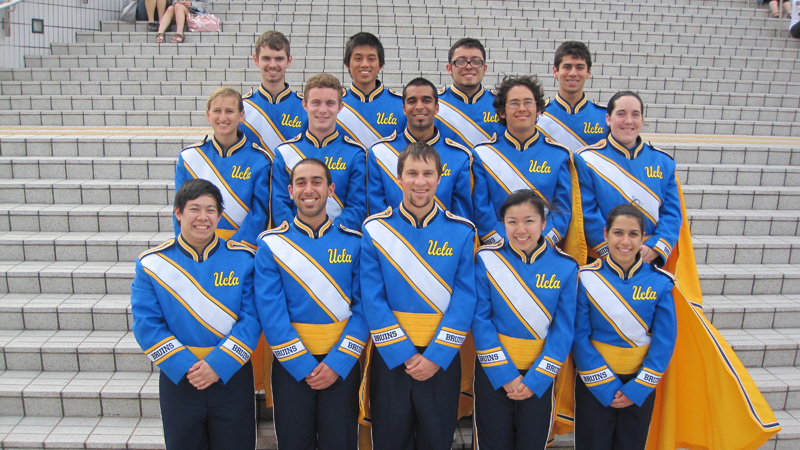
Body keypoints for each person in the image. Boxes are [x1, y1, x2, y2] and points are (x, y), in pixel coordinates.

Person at [360, 142, 477, 450]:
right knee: (389, 440)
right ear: (398, 178)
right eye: (412, 173)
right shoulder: (376, 229)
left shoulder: (462, 231)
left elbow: (465, 298)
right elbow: (372, 298)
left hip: (442, 359)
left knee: (436, 441)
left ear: (440, 178)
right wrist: (405, 354)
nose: (420, 181)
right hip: (392, 360)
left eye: (428, 173)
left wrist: (436, 357)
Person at [131, 179, 261, 450]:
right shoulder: (153, 263)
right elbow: (147, 325)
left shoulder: (244, 259)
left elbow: (252, 319)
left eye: (211, 210)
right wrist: (186, 366)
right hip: (180, 377)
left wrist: (218, 364)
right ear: (178, 213)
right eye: (194, 209)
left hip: (231, 375)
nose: (203, 217)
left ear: (219, 216)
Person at [255, 158, 367, 450]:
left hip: (340, 366)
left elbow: (363, 309)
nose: (309, 189)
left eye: (317, 181)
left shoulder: (355, 243)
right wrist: (302, 365)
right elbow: (272, 313)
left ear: (330, 189)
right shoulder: (271, 245)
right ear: (290, 192)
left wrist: (339, 362)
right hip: (291, 367)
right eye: (301, 183)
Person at [471, 189, 578, 450]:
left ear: (544, 223)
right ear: (502, 224)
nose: (521, 230)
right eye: (512, 222)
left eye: (529, 221)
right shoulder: (486, 259)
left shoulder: (566, 266)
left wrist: (536, 380)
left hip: (539, 376)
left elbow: (563, 330)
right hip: (493, 373)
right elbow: (480, 320)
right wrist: (505, 374)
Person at [572, 204, 677, 450]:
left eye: (633, 234)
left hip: (639, 385)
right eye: (618, 233)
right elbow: (579, 335)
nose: (625, 241)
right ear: (606, 234)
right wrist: (603, 383)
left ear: (643, 238)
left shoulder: (661, 282)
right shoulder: (585, 277)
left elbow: (665, 340)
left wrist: (638, 388)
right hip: (593, 383)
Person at [575, 91, 681, 264]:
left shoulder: (663, 162)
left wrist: (654, 248)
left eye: (635, 115)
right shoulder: (586, 159)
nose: (628, 121)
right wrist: (614, 249)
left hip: (647, 259)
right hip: (602, 260)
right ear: (608, 119)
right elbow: (586, 213)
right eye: (621, 114)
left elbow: (672, 214)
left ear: (642, 120)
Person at [471, 75, 574, 248]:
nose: (522, 108)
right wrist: (505, 243)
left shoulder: (559, 155)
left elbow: (561, 211)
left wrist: (541, 242)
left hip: (543, 249)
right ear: (502, 112)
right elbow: (482, 211)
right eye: (514, 103)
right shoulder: (483, 154)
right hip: (500, 250)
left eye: (528, 102)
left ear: (538, 109)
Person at [174, 87, 271, 249]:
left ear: (241, 116)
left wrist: (235, 247)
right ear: (208, 114)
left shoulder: (259, 160)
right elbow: (179, 210)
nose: (223, 117)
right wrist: (187, 246)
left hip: (241, 249)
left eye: (229, 111)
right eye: (217, 111)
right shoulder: (189, 158)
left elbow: (259, 213)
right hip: (197, 246)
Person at [271, 74, 367, 231]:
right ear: (305, 105)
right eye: (316, 103)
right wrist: (298, 234)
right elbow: (279, 204)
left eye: (330, 103)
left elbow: (357, 206)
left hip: (338, 242)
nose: (323, 110)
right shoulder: (285, 152)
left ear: (340, 107)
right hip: (294, 242)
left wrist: (330, 235)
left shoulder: (356, 154)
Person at [368, 77, 474, 218]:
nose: (419, 106)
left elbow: (461, 218)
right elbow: (378, 215)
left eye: (426, 100)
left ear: (436, 107)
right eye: (412, 101)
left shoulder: (459, 156)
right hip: (393, 238)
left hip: (442, 240)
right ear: (404, 109)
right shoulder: (379, 152)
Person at [240, 30, 306, 159]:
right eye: (266, 58)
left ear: (289, 60)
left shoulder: (305, 106)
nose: (272, 64)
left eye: (279, 58)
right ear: (256, 59)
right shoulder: (242, 106)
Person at [338, 32, 405, 148]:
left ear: (381, 64)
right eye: (358, 58)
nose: (365, 64)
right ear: (347, 64)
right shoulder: (335, 104)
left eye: (371, 59)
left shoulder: (400, 104)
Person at [538, 41, 607, 152]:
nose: (573, 73)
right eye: (567, 67)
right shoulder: (540, 115)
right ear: (555, 71)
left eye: (579, 67)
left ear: (589, 72)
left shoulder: (604, 116)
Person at [437, 38, 502, 148]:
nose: (468, 66)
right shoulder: (435, 103)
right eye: (460, 62)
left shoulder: (500, 104)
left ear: (484, 68)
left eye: (476, 62)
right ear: (449, 68)